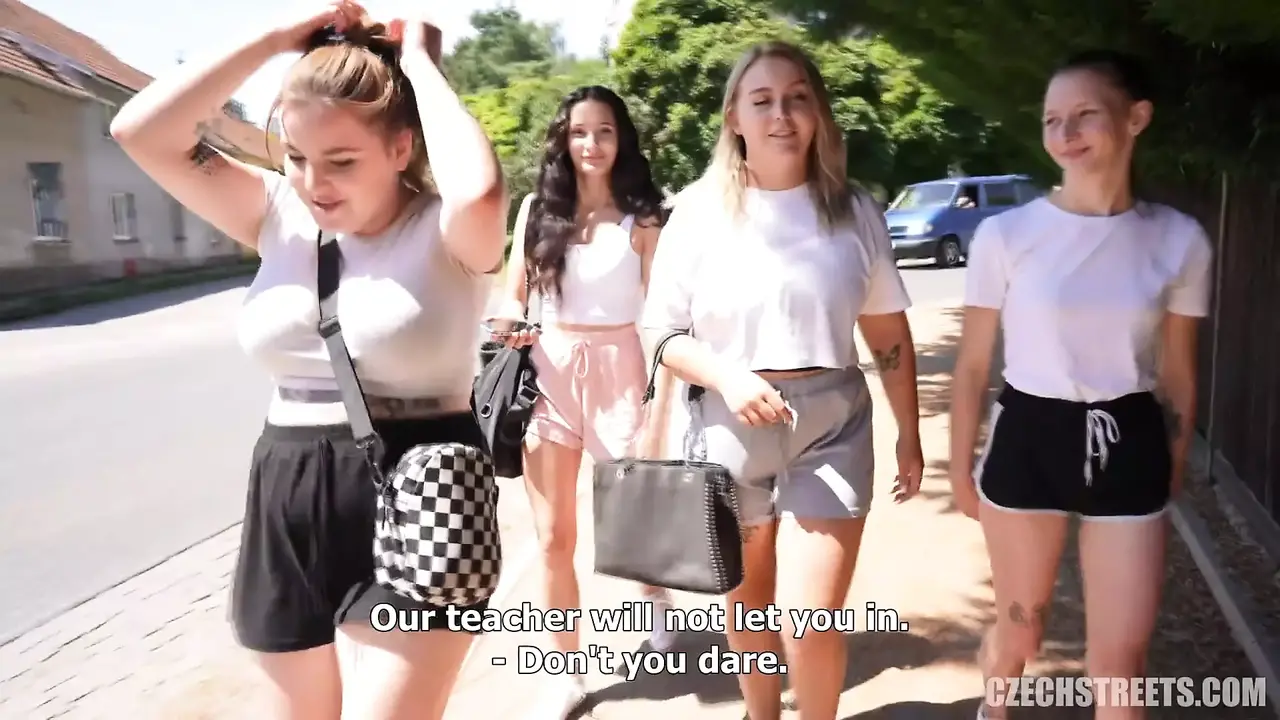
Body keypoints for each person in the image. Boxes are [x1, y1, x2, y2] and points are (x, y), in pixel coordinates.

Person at [109, 3, 508, 719]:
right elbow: (140, 132)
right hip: (287, 486)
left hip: (423, 485)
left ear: (400, 147)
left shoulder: (448, 232)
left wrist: (419, 62)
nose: (314, 183)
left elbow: (481, 190)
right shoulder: (278, 215)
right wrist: (273, 39)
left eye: (342, 161)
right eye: (296, 157)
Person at [641, 41, 924, 720]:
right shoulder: (698, 213)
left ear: (818, 111)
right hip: (727, 425)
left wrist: (910, 431)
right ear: (734, 117)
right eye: (762, 100)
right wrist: (728, 377)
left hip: (832, 426)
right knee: (747, 610)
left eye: (798, 98)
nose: (781, 114)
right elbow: (661, 334)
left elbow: (887, 333)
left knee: (810, 622)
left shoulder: (855, 211)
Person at [947, 50, 1212, 720]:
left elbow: (1179, 372)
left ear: (1136, 118)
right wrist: (959, 469)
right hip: (1028, 438)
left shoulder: (1179, 240)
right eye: (1051, 119)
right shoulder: (1006, 235)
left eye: (1085, 114)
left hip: (1129, 438)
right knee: (1020, 633)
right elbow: (973, 366)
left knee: (1119, 663)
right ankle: (994, 705)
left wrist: (1174, 458)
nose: (1064, 133)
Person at [490, 85, 671, 719]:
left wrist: (663, 395)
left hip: (623, 370)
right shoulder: (537, 209)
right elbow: (513, 293)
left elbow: (661, 313)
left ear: (622, 140)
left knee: (634, 515)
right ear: (563, 141)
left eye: (604, 132)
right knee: (553, 537)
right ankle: (565, 670)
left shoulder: (644, 217)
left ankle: (654, 599)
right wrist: (506, 321)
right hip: (550, 373)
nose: (591, 144)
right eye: (578, 133)